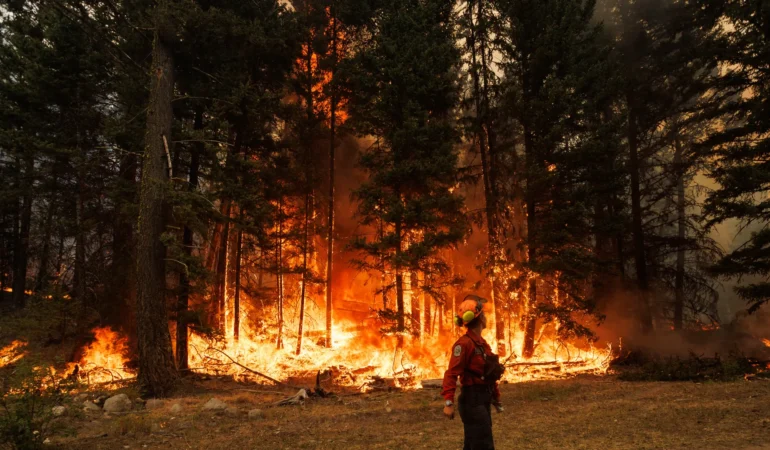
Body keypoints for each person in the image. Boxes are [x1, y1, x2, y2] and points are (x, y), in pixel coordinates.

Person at [441, 295, 504, 450]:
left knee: (473, 444)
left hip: (483, 398)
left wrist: (496, 398)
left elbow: (489, 375)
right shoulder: (463, 344)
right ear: (480, 318)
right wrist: (448, 402)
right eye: (484, 314)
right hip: (471, 400)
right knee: (484, 444)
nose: (486, 317)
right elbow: (451, 373)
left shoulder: (483, 344)